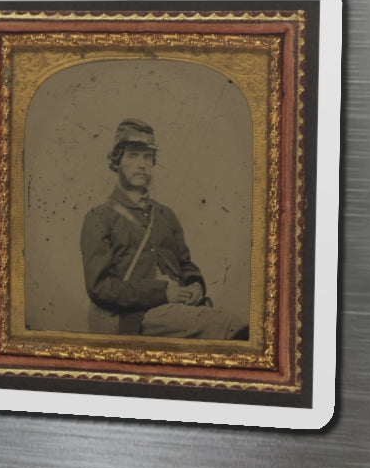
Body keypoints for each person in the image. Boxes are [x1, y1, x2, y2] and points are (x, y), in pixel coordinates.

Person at [79, 118, 248, 339]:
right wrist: (161, 293)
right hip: (135, 317)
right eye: (133, 156)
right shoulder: (98, 218)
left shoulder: (165, 215)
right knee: (227, 324)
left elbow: (186, 265)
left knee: (241, 325)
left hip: (178, 311)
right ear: (117, 161)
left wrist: (195, 284)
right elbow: (100, 287)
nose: (142, 164)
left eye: (147, 157)